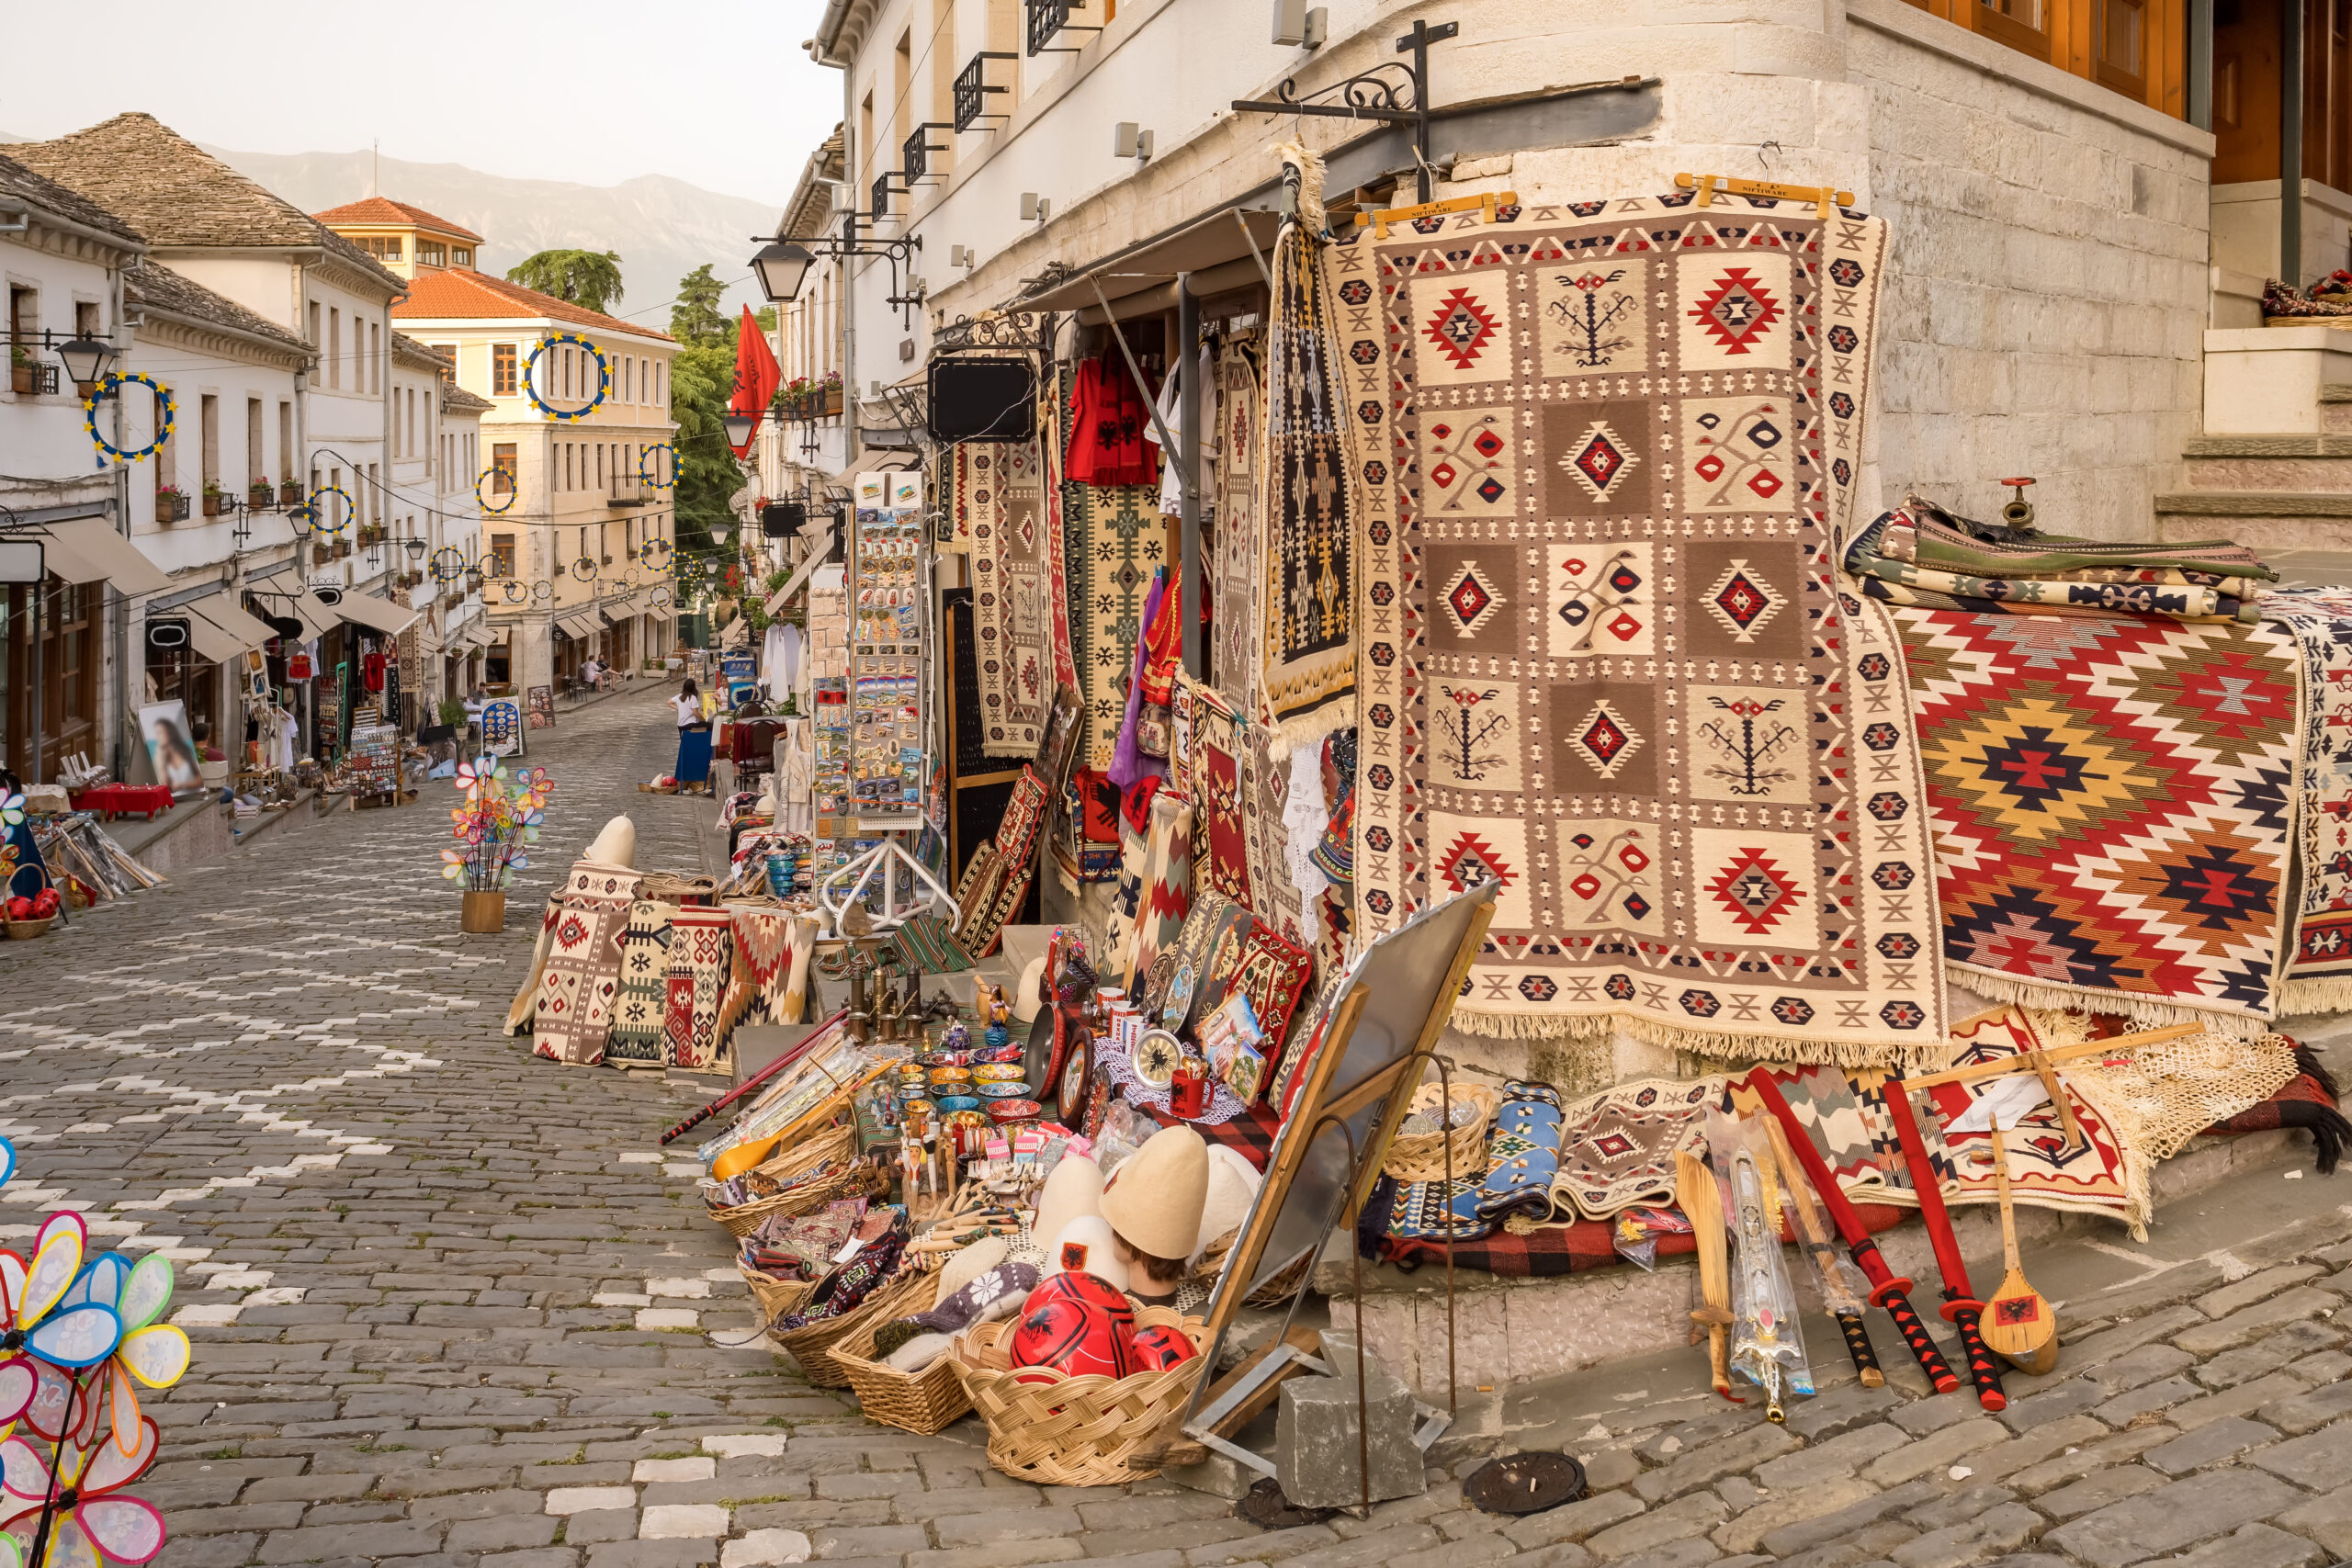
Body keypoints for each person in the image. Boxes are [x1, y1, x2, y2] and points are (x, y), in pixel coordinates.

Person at [673, 679, 714, 795]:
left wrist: (678, 709)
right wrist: (703, 719)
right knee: (710, 725)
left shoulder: (680, 696)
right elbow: (696, 713)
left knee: (685, 746)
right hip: (690, 726)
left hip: (680, 726)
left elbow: (668, 702)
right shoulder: (693, 698)